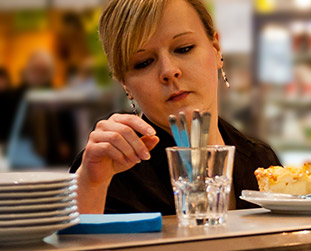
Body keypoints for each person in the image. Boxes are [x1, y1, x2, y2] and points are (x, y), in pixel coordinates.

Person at [71, 0, 279, 214]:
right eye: (143, 62)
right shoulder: (108, 169)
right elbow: (72, 245)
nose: (169, 71)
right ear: (125, 84)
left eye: (184, 48)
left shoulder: (261, 162)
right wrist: (91, 185)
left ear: (216, 49)